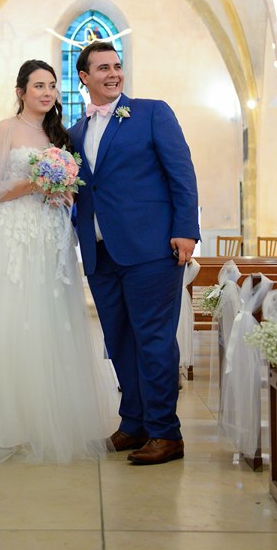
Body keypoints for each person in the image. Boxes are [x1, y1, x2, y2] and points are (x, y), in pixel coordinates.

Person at [0, 59, 111, 464]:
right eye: (38, 86)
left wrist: (64, 191)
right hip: (12, 233)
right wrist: (37, 182)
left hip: (51, 233)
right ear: (21, 92)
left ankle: (46, 418)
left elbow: (74, 187)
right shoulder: (5, 129)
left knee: (49, 316)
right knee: (10, 316)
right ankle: (6, 422)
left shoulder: (59, 134)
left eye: (51, 86)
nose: (47, 93)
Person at [68, 41, 200, 465]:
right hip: (100, 253)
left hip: (151, 249)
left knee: (154, 340)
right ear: (84, 77)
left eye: (117, 66)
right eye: (102, 68)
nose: (113, 74)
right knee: (119, 340)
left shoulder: (151, 113)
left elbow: (182, 173)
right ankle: (134, 423)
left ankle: (166, 432)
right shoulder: (75, 132)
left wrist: (186, 230)